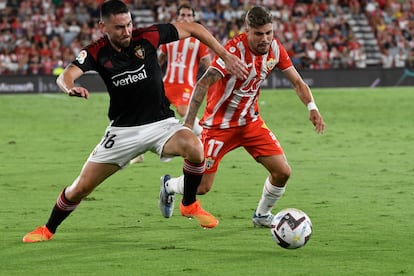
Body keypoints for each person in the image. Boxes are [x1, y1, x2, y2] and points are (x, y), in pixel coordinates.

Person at [22, 0, 247, 243]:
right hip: (123, 131)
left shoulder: (147, 36)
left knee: (194, 146)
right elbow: (66, 75)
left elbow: (194, 28)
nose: (127, 31)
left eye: (129, 24)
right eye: (119, 27)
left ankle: (189, 203)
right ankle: (48, 229)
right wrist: (70, 88)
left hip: (161, 124)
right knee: (81, 188)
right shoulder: (96, 51)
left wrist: (225, 56)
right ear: (103, 26)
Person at [158, 6, 325, 227]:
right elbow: (202, 84)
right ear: (247, 31)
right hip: (219, 126)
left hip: (250, 123)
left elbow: (297, 81)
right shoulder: (233, 52)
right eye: (258, 34)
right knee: (202, 187)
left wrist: (312, 107)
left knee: (282, 172)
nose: (265, 39)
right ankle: (169, 186)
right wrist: (188, 124)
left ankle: (262, 214)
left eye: (268, 32)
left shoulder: (275, 49)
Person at [129, 4, 210, 165]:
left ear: (193, 18)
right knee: (146, 111)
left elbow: (208, 64)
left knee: (183, 111)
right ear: (177, 17)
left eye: (188, 15)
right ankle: (138, 152)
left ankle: (206, 138)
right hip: (166, 84)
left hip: (186, 86)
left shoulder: (199, 40)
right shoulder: (170, 38)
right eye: (182, 15)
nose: (185, 18)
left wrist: (213, 81)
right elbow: (159, 61)